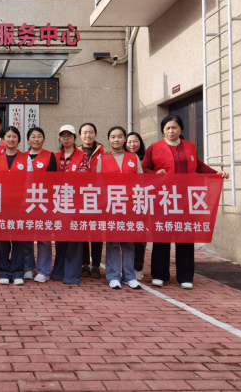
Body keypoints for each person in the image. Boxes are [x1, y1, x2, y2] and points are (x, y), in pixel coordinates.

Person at [142, 115, 229, 289]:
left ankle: (185, 277)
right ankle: (160, 275)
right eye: (167, 128)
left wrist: (216, 174)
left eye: (174, 127)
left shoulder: (190, 146)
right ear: (162, 130)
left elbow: (199, 165)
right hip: (164, 198)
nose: (171, 131)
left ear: (181, 129)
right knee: (162, 236)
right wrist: (154, 174)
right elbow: (143, 168)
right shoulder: (154, 148)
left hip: (186, 199)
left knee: (185, 237)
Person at [97, 126, 143, 290]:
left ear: (124, 139)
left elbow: (140, 181)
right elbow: (99, 184)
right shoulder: (103, 159)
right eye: (113, 137)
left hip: (130, 206)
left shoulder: (133, 157)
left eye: (119, 136)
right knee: (113, 242)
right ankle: (113, 276)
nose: (116, 139)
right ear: (108, 140)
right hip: (111, 206)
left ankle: (129, 276)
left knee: (129, 242)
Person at [0, 126, 29, 285]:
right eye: (8, 136)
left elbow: (30, 182)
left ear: (18, 139)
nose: (11, 139)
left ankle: (17, 272)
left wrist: (25, 202)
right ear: (3, 139)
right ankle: (3, 272)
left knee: (18, 239)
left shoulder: (25, 158)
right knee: (1, 240)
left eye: (14, 136)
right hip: (1, 204)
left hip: (19, 204)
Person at [52, 125, 85, 285]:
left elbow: (83, 177)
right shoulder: (55, 156)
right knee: (61, 238)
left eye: (69, 136)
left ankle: (71, 275)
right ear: (60, 138)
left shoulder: (82, 155)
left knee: (74, 239)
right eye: (63, 136)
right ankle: (58, 272)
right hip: (58, 202)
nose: (66, 138)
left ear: (75, 138)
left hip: (75, 202)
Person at [24, 127, 57, 283]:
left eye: (39, 136)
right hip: (26, 201)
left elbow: (53, 181)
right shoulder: (22, 157)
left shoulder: (50, 156)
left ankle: (44, 270)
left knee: (44, 238)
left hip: (44, 201)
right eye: (33, 136)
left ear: (43, 139)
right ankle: (27, 268)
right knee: (26, 236)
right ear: (28, 140)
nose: (36, 139)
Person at [77, 122, 106, 279]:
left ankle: (95, 266)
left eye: (91, 132)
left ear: (95, 134)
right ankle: (83, 264)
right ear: (80, 135)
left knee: (96, 231)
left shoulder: (104, 151)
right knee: (82, 231)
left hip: (98, 196)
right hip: (80, 197)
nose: (88, 135)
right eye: (85, 133)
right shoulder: (75, 151)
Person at [124, 132, 147, 281]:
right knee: (126, 236)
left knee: (140, 235)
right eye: (129, 142)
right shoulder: (122, 158)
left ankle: (138, 268)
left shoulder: (147, 158)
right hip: (123, 201)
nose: (132, 144)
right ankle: (126, 267)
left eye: (135, 141)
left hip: (141, 201)